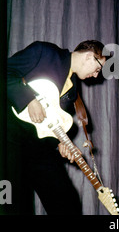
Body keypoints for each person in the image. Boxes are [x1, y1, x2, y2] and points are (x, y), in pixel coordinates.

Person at [6, 40, 107, 215]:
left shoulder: (73, 90)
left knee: (67, 202)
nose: (96, 75)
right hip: (10, 137)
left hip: (40, 148)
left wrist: (62, 142)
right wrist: (29, 99)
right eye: (98, 68)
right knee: (13, 203)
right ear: (90, 56)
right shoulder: (44, 52)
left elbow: (52, 122)